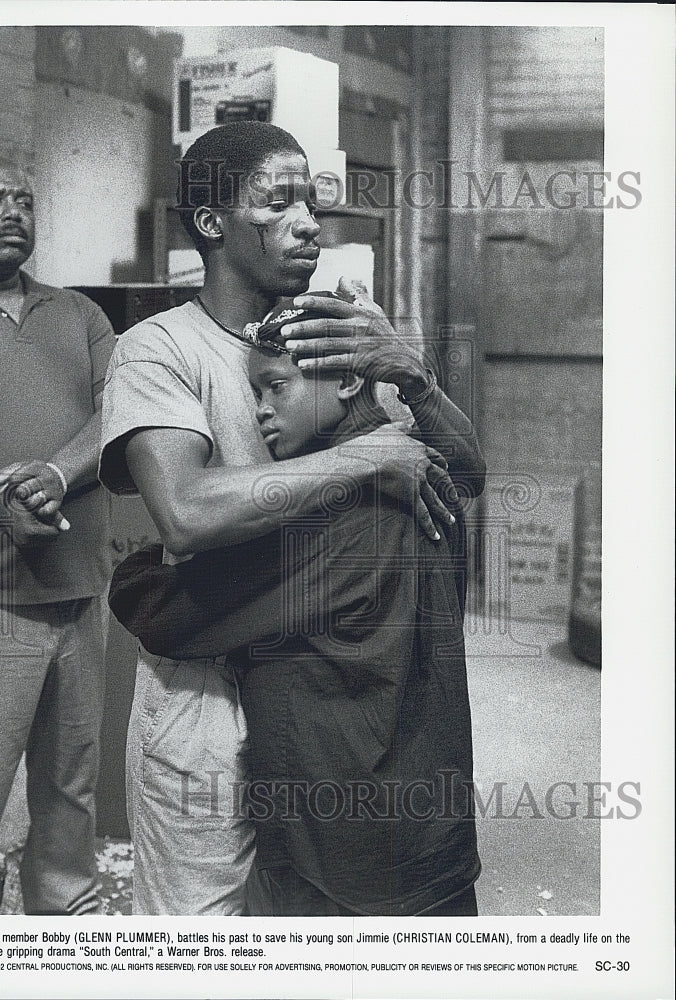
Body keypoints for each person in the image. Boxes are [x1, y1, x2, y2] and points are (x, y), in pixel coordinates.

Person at [99, 121, 479, 915]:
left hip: (310, 691)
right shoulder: (158, 348)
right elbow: (186, 516)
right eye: (279, 203)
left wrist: (413, 373)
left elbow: (461, 475)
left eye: (311, 202)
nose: (309, 221)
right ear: (212, 222)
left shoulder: (329, 328)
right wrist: (366, 457)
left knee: (294, 920)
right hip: (205, 683)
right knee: (196, 934)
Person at [0, 150, 116, 915]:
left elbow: (119, 412)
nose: (14, 212)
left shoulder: (79, 313)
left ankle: (62, 950)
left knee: (70, 806)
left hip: (78, 596)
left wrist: (54, 475)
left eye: (24, 199)